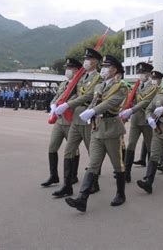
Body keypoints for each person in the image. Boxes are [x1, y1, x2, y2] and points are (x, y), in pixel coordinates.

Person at [65, 55, 128, 212]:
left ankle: (121, 194)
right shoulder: (99, 86)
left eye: (107, 66)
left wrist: (93, 110)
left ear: (115, 70)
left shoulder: (121, 86)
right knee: (93, 164)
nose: (104, 69)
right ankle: (82, 199)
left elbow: (111, 103)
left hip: (112, 129)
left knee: (117, 164)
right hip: (97, 128)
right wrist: (88, 112)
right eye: (104, 66)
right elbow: (94, 101)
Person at [52, 48, 102, 198]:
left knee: (92, 152)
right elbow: (72, 92)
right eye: (85, 58)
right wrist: (58, 102)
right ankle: (67, 185)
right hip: (75, 119)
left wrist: (68, 105)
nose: (86, 61)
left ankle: (94, 183)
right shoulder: (81, 77)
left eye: (89, 58)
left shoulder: (98, 79)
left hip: (86, 119)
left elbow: (87, 96)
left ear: (95, 62)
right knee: (69, 151)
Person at [41, 58, 82, 187]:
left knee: (73, 150)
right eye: (67, 68)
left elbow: (78, 98)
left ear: (76, 70)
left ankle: (73, 176)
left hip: (71, 121)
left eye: (70, 68)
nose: (67, 70)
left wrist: (65, 105)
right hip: (60, 121)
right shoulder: (64, 84)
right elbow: (56, 96)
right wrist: (52, 104)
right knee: (52, 147)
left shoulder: (79, 85)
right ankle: (53, 176)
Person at [119, 62, 158, 183]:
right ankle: (127, 173)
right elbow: (131, 100)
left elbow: (145, 102)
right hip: (136, 120)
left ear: (148, 74)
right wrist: (125, 110)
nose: (140, 75)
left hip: (147, 120)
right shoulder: (136, 86)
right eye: (139, 72)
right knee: (131, 145)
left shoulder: (153, 87)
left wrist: (131, 110)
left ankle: (149, 176)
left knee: (150, 146)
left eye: (143, 72)